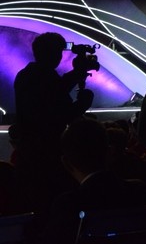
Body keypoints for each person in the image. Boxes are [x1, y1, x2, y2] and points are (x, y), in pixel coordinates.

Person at [12, 31, 95, 210]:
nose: (59, 57)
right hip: (48, 154)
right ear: (52, 53)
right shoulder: (44, 77)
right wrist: (83, 103)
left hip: (31, 152)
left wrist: (76, 73)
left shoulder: (28, 75)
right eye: (58, 52)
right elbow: (60, 111)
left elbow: (56, 88)